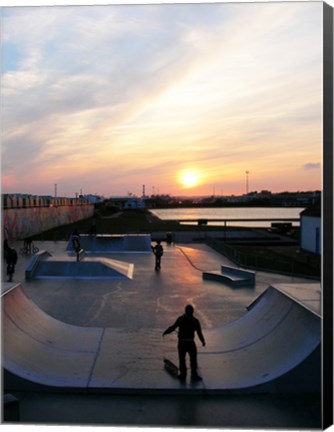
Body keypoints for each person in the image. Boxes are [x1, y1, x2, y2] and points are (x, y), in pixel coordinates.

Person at [163, 304, 206, 382]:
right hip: (190, 343)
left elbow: (173, 327)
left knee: (183, 360)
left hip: (182, 343)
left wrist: (166, 332)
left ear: (185, 311)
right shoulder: (195, 320)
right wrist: (203, 341)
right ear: (192, 312)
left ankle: (184, 375)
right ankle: (193, 375)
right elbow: (199, 333)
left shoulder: (181, 319)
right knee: (191, 360)